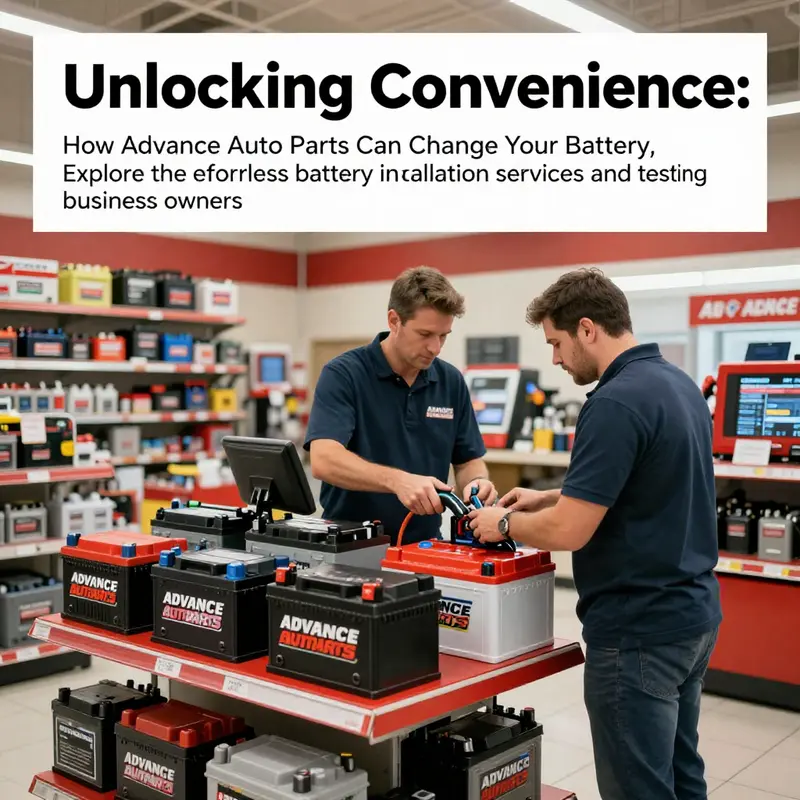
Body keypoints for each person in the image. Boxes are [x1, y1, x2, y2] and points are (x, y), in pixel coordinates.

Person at [467, 267, 722, 800]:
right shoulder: (677, 383)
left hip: (637, 632)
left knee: (638, 788)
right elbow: (646, 482)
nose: (556, 359)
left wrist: (503, 523)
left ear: (587, 329)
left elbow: (570, 531)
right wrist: (549, 494)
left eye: (557, 343)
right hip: (692, 618)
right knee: (681, 775)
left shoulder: (612, 402)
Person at [304, 265, 498, 545]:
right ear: (394, 321)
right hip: (350, 547)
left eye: (443, 335)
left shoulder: (450, 381)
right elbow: (324, 460)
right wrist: (398, 481)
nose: (436, 347)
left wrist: (477, 484)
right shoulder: (344, 374)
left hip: (426, 546)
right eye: (425, 334)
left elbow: (468, 460)